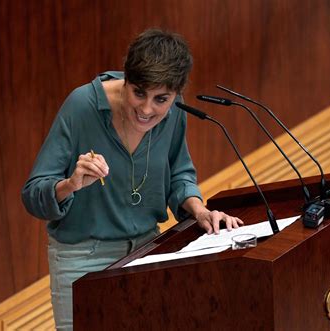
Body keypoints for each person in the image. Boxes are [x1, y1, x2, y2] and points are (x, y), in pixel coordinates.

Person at [22, 28, 243, 330]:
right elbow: (33, 195)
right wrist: (71, 184)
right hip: (82, 259)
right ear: (126, 80)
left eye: (160, 99)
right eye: (138, 92)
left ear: (176, 94)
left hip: (147, 249)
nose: (147, 109)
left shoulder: (175, 112)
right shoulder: (81, 105)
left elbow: (179, 173)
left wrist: (199, 210)